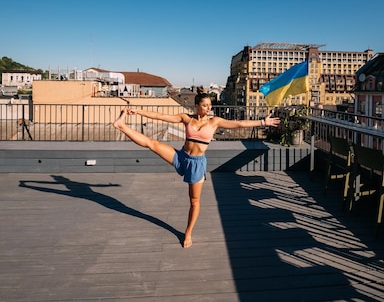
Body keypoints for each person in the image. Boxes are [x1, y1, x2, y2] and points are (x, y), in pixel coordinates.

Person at [112, 91, 280, 248]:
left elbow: (239, 124)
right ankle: (121, 125)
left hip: (197, 164)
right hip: (182, 157)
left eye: (210, 106)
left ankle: (188, 232)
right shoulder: (187, 118)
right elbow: (161, 116)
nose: (209, 108)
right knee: (152, 144)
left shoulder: (215, 122)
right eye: (206, 105)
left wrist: (262, 122)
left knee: (194, 201)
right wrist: (138, 111)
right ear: (197, 106)